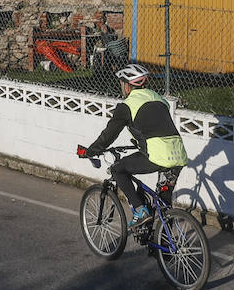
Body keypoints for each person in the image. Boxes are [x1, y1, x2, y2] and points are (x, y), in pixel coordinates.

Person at [77, 63, 188, 224]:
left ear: (127, 86)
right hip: (178, 153)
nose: (122, 87)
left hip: (156, 155)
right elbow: (155, 127)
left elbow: (109, 135)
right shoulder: (159, 98)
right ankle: (163, 246)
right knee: (164, 206)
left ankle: (140, 210)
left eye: (122, 83)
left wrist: (91, 152)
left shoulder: (127, 105)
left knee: (117, 169)